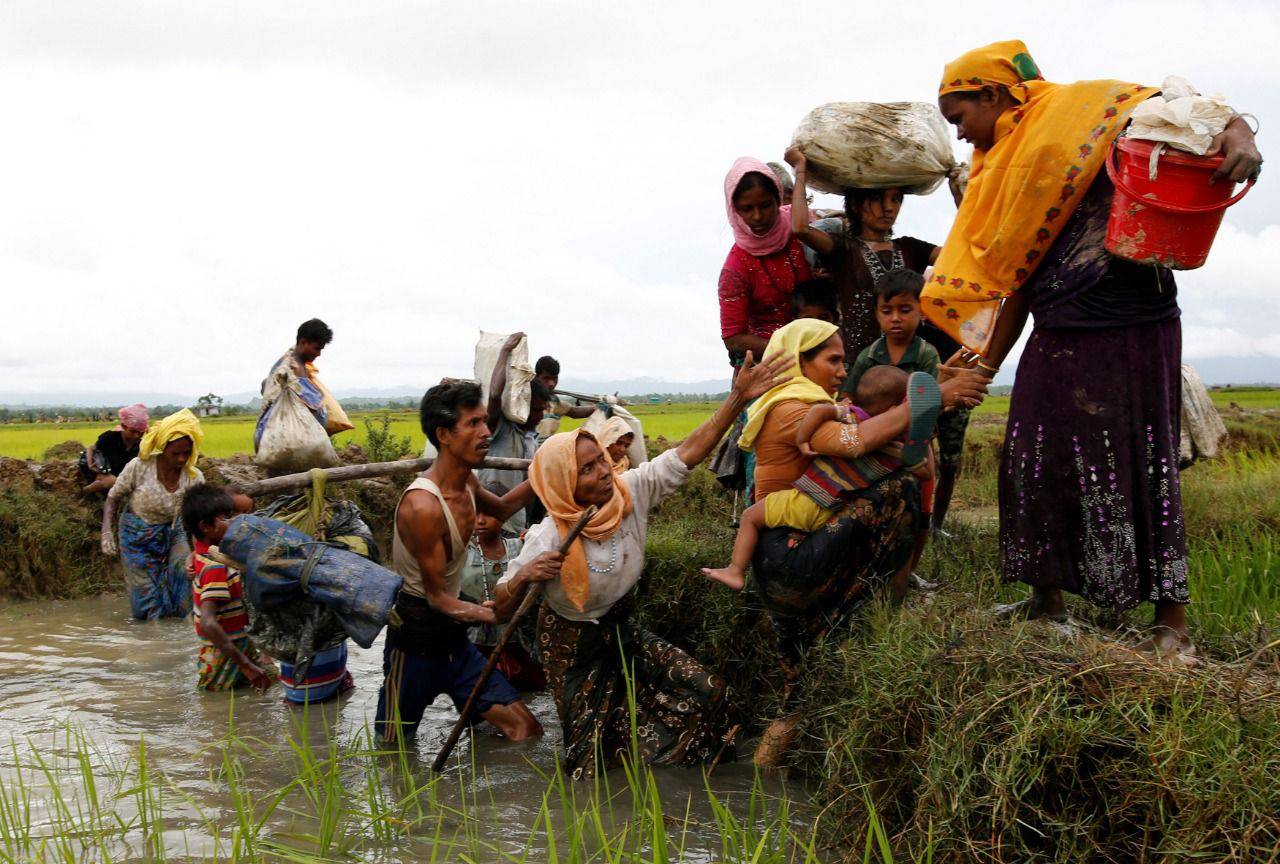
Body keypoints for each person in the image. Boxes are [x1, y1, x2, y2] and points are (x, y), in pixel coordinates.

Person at [925, 40, 1261, 659]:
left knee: (1145, 459)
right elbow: (1023, 278)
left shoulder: (1089, 112)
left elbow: (1191, 106)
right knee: (1033, 459)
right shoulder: (1005, 167)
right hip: (1058, 327)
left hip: (1134, 321)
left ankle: (1171, 623)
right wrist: (987, 359)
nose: (964, 137)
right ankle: (1045, 599)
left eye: (960, 118)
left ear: (992, 93)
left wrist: (1239, 136)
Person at [493, 348, 791, 778]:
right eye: (588, 468)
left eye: (601, 461)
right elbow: (500, 608)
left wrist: (736, 401)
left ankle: (666, 779)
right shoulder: (549, 536)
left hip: (621, 625)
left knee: (708, 692)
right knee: (586, 766)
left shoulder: (631, 493)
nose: (603, 472)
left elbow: (688, 452)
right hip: (570, 645)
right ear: (563, 482)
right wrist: (523, 576)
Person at [735, 319, 985, 761]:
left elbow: (892, 430)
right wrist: (930, 398)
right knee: (897, 490)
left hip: (784, 556)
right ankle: (878, 603)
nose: (840, 370)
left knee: (797, 697)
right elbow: (855, 443)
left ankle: (764, 783)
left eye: (843, 361)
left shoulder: (813, 403)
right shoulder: (793, 408)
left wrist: (927, 398)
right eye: (831, 360)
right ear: (798, 361)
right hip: (791, 556)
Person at [375, 381, 543, 745]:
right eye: (474, 424)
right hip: (415, 642)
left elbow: (500, 509)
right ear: (443, 434)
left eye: (486, 422)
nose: (486, 432)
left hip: (455, 640)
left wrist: (543, 472)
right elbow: (438, 598)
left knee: (526, 730)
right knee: (392, 748)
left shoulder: (466, 481)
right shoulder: (423, 506)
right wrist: (495, 614)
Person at [702, 365, 937, 591]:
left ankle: (735, 570)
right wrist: (920, 437)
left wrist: (803, 439)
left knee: (750, 516)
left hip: (809, 501)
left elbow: (819, 411)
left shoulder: (852, 417)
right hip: (836, 510)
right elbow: (926, 473)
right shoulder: (896, 447)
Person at [784, 149, 947, 363]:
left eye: (896, 199)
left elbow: (959, 257)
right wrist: (800, 170)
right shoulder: (843, 249)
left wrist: (960, 192)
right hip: (857, 366)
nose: (888, 208)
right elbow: (801, 228)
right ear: (855, 204)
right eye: (877, 199)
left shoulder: (912, 248)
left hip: (909, 364)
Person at [101, 409, 211, 619]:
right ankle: (151, 637)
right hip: (136, 535)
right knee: (146, 593)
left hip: (172, 531)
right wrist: (106, 532)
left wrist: (196, 552)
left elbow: (198, 518)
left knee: (184, 574)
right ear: (163, 448)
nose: (181, 459)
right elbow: (113, 498)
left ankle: (180, 632)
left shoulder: (194, 477)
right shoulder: (139, 467)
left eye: (186, 453)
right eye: (175, 453)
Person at [718, 157, 813, 368]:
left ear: (778, 199)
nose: (757, 216)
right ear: (734, 210)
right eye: (747, 209)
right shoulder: (736, 267)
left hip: (821, 353)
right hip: (768, 365)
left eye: (765, 205)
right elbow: (733, 338)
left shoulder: (804, 229)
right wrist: (792, 350)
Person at [181, 484, 276, 692]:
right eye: (226, 518)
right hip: (223, 654)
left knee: (266, 684)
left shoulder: (211, 552)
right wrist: (246, 666)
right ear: (206, 527)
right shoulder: (215, 566)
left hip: (237, 643)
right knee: (219, 707)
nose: (234, 521)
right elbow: (208, 623)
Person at [458, 482, 544, 691]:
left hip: (516, 641)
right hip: (475, 642)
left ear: (503, 514)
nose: (480, 521)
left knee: (526, 692)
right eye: (475, 513)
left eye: (488, 514)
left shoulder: (520, 548)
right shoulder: (461, 553)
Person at [478, 333, 552, 536]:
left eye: (542, 411)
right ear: (523, 405)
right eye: (535, 410)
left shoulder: (532, 439)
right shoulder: (501, 428)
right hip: (491, 523)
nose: (539, 416)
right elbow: (494, 395)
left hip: (517, 525)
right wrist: (504, 352)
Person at [257, 318, 334, 447]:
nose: (319, 354)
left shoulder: (290, 362)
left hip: (265, 438)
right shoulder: (293, 368)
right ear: (303, 342)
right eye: (316, 348)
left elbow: (265, 385)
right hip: (282, 441)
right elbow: (315, 410)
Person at [80, 404, 149, 494]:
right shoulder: (110, 437)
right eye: (132, 431)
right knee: (112, 481)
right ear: (123, 426)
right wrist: (90, 464)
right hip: (99, 470)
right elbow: (91, 448)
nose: (136, 435)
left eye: (140, 433)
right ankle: (85, 491)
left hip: (118, 475)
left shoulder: (140, 445)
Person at [533, 356, 595, 442]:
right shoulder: (526, 397)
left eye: (554, 378)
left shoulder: (553, 401)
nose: (551, 383)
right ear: (536, 377)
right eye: (546, 378)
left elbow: (574, 412)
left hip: (545, 450)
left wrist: (598, 407)